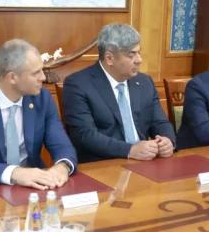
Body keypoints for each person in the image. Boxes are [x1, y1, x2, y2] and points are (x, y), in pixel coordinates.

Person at [0, 39, 77, 189]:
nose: (43, 77)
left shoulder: (42, 98)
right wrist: (14, 173)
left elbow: (62, 145)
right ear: (12, 78)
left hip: (34, 187)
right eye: (35, 73)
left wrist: (62, 167)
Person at [62, 23, 176, 163]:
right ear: (109, 58)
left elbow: (159, 122)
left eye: (139, 52)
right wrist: (130, 150)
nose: (139, 60)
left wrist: (167, 141)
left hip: (144, 161)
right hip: (103, 164)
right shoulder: (78, 84)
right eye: (131, 55)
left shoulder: (144, 82)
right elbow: (85, 135)